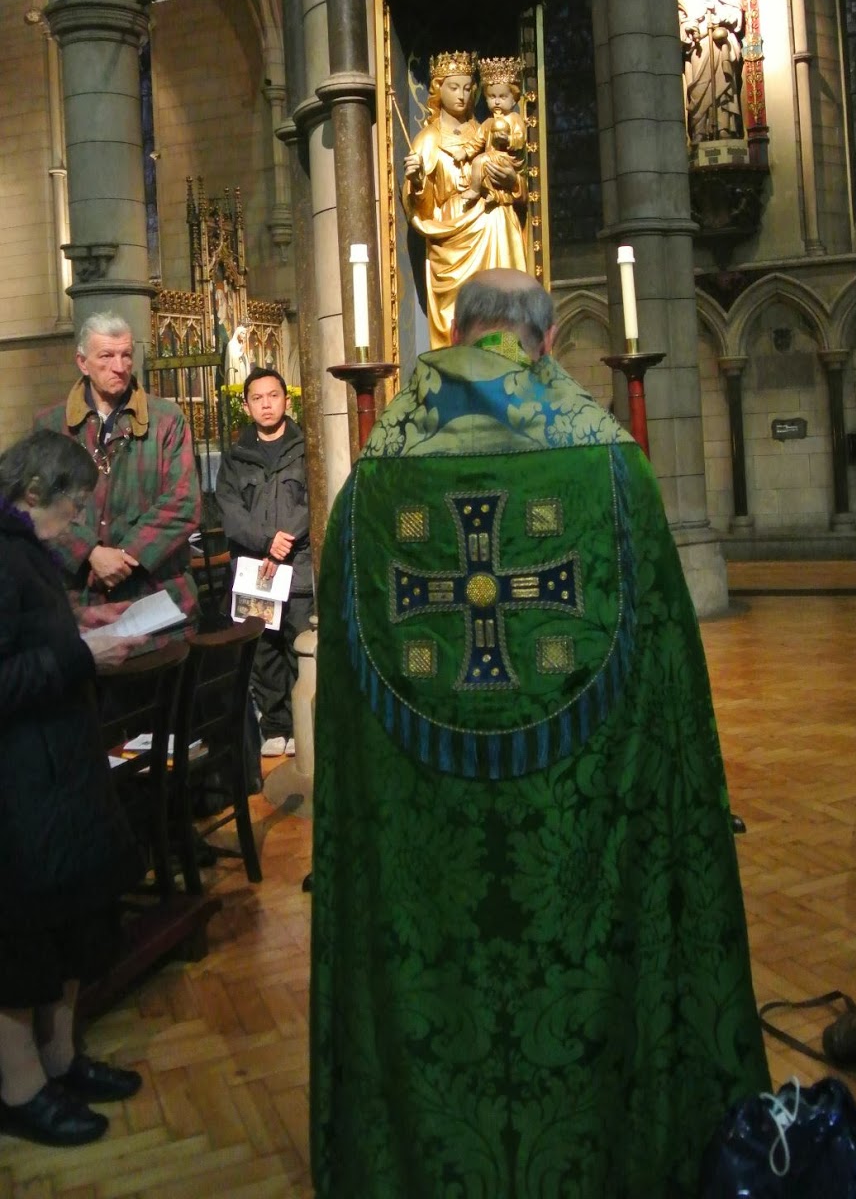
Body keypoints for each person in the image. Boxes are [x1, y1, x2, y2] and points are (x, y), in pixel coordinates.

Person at [309, 268, 768, 1198]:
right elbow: (666, 681)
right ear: (546, 340)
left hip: (423, 844)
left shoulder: (369, 491)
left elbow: (349, 713)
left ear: (454, 332)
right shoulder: (615, 472)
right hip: (585, 838)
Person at [0, 431, 146, 1147]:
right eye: (74, 506)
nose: (78, 521)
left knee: (72, 920)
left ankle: (61, 1061)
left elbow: (31, 634)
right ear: (35, 493)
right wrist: (80, 654)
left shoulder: (23, 546)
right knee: (22, 942)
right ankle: (22, 1090)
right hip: (19, 782)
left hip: (58, 773)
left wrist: (81, 622)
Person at [35, 312, 202, 620]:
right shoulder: (51, 426)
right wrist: (90, 552)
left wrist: (125, 557)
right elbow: (39, 505)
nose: (120, 366)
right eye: (107, 356)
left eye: (126, 355)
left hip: (156, 593)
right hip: (77, 600)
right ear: (83, 363)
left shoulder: (166, 420)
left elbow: (183, 503)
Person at [214, 366, 312, 757]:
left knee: (299, 644)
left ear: (287, 400)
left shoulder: (306, 447)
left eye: (273, 396)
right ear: (246, 405)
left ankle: (305, 726)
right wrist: (266, 541)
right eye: (257, 398)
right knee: (264, 650)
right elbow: (230, 510)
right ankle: (275, 725)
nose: (266, 404)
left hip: (298, 566)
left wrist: (285, 539)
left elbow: (314, 499)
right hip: (256, 569)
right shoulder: (235, 457)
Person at [402, 50, 528, 347]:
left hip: (496, 225)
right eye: (454, 87)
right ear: (438, 90)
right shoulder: (428, 140)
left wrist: (513, 182)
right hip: (453, 235)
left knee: (502, 309)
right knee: (464, 324)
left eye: (468, 88)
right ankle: (462, 362)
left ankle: (506, 358)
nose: (462, 95)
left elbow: (519, 186)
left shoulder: (486, 129)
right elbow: (423, 210)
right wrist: (418, 182)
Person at [678, 0, 745, 144]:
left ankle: (724, 127)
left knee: (722, 84)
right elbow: (679, 20)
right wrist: (688, 26)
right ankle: (699, 131)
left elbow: (736, 12)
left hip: (718, 43)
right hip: (698, 46)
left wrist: (718, 13)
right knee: (698, 88)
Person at [460, 55, 528, 212]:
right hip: (492, 158)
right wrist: (464, 152)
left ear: (514, 99)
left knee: (479, 161)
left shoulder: (515, 119)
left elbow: (520, 139)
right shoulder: (488, 123)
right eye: (492, 97)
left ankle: (476, 190)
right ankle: (492, 194)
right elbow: (477, 141)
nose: (497, 101)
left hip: (506, 159)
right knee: (482, 169)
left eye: (502, 97)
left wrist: (508, 140)